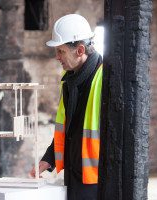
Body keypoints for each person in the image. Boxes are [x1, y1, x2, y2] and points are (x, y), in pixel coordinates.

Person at [30, 14, 103, 200]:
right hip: (74, 175)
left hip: (96, 180)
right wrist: (49, 159)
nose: (57, 57)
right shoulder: (71, 81)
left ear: (79, 50)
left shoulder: (104, 79)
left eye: (61, 51)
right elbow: (69, 132)